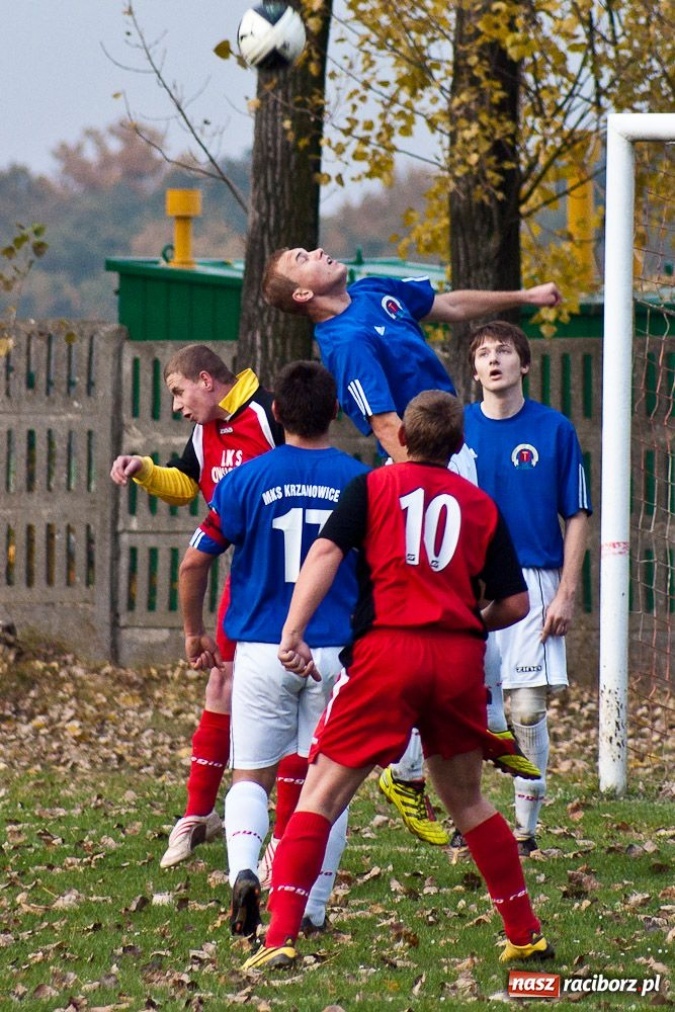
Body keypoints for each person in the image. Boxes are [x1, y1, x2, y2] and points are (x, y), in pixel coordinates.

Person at [242, 389, 554, 972]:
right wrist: (468, 623)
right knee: (467, 799)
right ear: (460, 445)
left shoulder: (370, 486)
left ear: (403, 438)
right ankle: (524, 931)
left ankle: (279, 935)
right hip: (457, 661)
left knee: (322, 794)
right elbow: (513, 604)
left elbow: (325, 555)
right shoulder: (481, 506)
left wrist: (292, 632)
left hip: (387, 653)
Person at [261, 247, 561, 846]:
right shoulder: (344, 344)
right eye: (303, 256)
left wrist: (522, 299)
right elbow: (386, 427)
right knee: (452, 622)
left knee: (475, 623)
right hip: (426, 471)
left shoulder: (373, 288)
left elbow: (447, 304)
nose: (318, 250)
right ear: (301, 294)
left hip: (454, 457)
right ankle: (417, 762)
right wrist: (431, 486)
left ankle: (468, 736)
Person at [178, 360, 369, 941]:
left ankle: (242, 871)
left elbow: (195, 560)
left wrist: (194, 631)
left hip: (262, 649)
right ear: (335, 412)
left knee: (250, 779)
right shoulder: (362, 481)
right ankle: (310, 908)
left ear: (277, 413)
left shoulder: (246, 479)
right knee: (325, 786)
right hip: (335, 653)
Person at [110, 343, 293, 870]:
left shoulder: (269, 414)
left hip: (298, 578)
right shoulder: (204, 429)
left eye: (178, 391)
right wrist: (144, 469)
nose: (176, 406)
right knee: (221, 682)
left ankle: (284, 834)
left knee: (293, 699)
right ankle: (197, 816)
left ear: (207, 380)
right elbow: (187, 485)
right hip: (247, 579)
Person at [458, 321, 591, 857]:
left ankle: (525, 829)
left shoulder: (555, 429)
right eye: (484, 354)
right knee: (471, 711)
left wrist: (567, 593)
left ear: (525, 365)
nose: (494, 360)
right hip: (471, 587)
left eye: (505, 351)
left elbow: (577, 515)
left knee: (528, 711)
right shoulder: (458, 429)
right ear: (474, 370)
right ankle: (473, 821)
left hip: (535, 582)